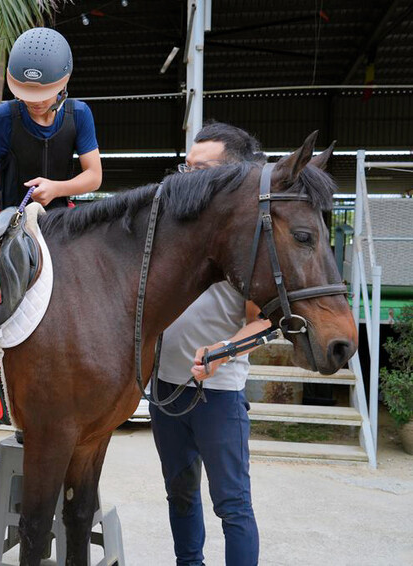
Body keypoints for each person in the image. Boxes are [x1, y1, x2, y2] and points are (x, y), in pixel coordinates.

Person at [150, 121, 269, 566]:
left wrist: (224, 353)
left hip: (217, 396)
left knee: (232, 505)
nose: (187, 176)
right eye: (186, 167)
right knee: (179, 495)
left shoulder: (246, 242)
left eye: (201, 168)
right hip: (166, 391)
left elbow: (263, 322)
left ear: (233, 174)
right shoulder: (171, 231)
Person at [0, 27, 102, 229]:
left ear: (63, 84)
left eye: (42, 95)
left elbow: (94, 176)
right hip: (8, 224)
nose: (35, 102)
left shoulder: (79, 114)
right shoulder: (2, 117)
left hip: (59, 223)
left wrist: (57, 188)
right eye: (27, 95)